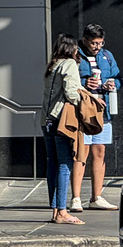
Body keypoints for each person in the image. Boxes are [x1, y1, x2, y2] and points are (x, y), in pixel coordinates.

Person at [70, 23, 121, 212]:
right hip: (83, 111)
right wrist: (85, 82)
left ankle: (96, 197)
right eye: (93, 43)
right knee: (80, 153)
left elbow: (118, 77)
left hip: (103, 111)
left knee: (100, 152)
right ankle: (76, 198)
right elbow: (68, 79)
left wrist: (112, 84)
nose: (97, 46)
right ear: (84, 40)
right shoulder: (75, 55)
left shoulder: (107, 56)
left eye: (100, 43)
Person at [40, 34, 85, 225]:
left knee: (52, 164)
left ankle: (55, 210)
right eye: (75, 48)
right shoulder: (69, 64)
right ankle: (63, 212)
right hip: (62, 121)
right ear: (70, 48)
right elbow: (71, 92)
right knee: (65, 164)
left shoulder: (53, 65)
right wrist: (89, 99)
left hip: (46, 120)